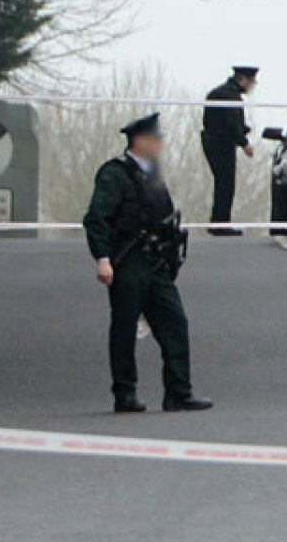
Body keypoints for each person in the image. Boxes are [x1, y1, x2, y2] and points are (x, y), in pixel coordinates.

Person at [83, 113, 212, 413]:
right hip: (127, 261)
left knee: (174, 321)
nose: (161, 144)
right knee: (125, 327)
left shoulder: (153, 175)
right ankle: (125, 393)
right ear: (140, 142)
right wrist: (103, 259)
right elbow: (97, 219)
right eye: (157, 139)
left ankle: (179, 392)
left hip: (155, 262)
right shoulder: (114, 174)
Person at [203, 66, 258, 235]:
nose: (253, 86)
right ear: (243, 79)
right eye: (252, 82)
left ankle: (219, 221)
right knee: (226, 183)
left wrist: (243, 129)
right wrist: (244, 143)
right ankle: (220, 223)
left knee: (223, 182)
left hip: (214, 140)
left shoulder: (221, 92)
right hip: (221, 143)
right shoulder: (230, 96)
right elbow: (232, 123)